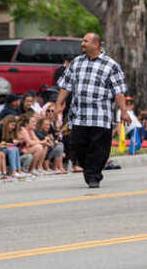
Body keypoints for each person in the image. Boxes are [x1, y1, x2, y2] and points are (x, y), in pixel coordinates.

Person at [55, 33, 130, 188]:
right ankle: (90, 170)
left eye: (85, 41)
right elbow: (65, 85)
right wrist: (57, 105)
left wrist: (123, 111)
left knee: (99, 148)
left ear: (96, 45)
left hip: (100, 115)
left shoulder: (111, 65)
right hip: (79, 115)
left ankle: (93, 176)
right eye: (83, 40)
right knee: (77, 144)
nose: (82, 44)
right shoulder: (76, 62)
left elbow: (119, 91)